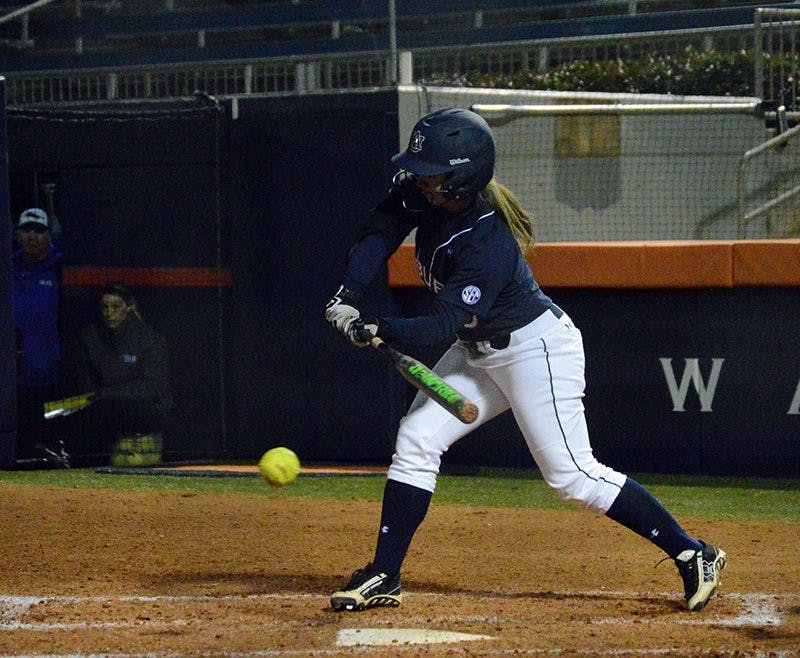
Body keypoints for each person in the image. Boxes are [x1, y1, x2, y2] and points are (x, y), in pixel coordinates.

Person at [324, 108, 727, 613]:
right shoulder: (424, 196)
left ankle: (693, 553)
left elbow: (439, 326)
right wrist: (351, 295)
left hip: (535, 351)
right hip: (478, 350)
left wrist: (378, 327)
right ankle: (385, 575)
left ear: (463, 178)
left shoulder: (486, 241)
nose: (421, 181)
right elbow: (377, 233)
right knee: (417, 439)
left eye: (434, 174)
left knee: (572, 476)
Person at [60, 284, 172, 465]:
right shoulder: (89, 337)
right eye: (105, 307)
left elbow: (154, 387)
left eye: (116, 306)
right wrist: (93, 398)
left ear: (129, 307)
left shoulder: (149, 339)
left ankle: (67, 451)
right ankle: (56, 450)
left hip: (145, 410)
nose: (109, 313)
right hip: (99, 407)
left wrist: (105, 395)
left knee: (105, 407)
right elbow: (83, 382)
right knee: (57, 409)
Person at [12, 207, 64, 460]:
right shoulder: (7, 266)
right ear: (17, 235)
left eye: (39, 231)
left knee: (46, 439)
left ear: (49, 236)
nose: (32, 236)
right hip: (14, 374)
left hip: (49, 372)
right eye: (26, 230)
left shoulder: (60, 267)